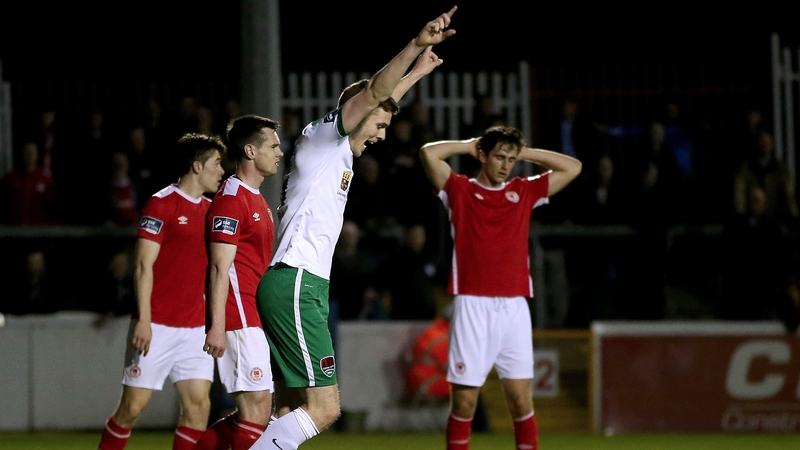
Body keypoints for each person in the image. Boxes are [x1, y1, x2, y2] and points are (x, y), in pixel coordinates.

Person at [250, 8, 457, 450]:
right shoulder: (325, 137)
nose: (382, 135)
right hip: (296, 282)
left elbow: (383, 97)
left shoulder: (337, 153)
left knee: (289, 411)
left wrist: (417, 73)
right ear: (355, 112)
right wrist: (415, 45)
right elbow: (376, 92)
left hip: (302, 284)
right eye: (380, 125)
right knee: (325, 409)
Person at [419, 125, 582, 450]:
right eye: (500, 156)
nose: (506, 164)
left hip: (514, 308)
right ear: (483, 156)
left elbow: (573, 167)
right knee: (465, 403)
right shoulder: (460, 190)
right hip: (471, 306)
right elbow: (428, 153)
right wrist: (468, 146)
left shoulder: (523, 191)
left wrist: (526, 153)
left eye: (511, 158)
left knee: (521, 401)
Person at [97, 133, 227, 450]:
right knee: (131, 409)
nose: (222, 171)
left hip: (196, 327)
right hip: (156, 325)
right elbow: (143, 266)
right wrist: (143, 319)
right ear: (197, 166)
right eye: (216, 164)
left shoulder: (213, 211)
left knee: (199, 408)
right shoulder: (161, 203)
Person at [194, 115, 283, 450]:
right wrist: (217, 326)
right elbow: (219, 268)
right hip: (237, 312)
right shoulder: (231, 200)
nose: (279, 152)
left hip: (252, 313)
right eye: (272, 145)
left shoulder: (255, 198)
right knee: (257, 405)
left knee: (257, 411)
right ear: (249, 150)